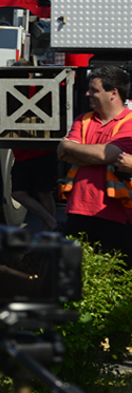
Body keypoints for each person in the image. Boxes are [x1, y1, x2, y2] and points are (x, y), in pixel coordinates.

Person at [56, 65, 132, 262]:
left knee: (116, 277)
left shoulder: (129, 123)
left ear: (113, 93)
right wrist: (96, 153)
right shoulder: (84, 119)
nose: (87, 93)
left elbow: (105, 155)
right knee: (68, 273)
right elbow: (62, 152)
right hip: (78, 210)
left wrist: (75, 149)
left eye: (94, 90)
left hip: (116, 215)